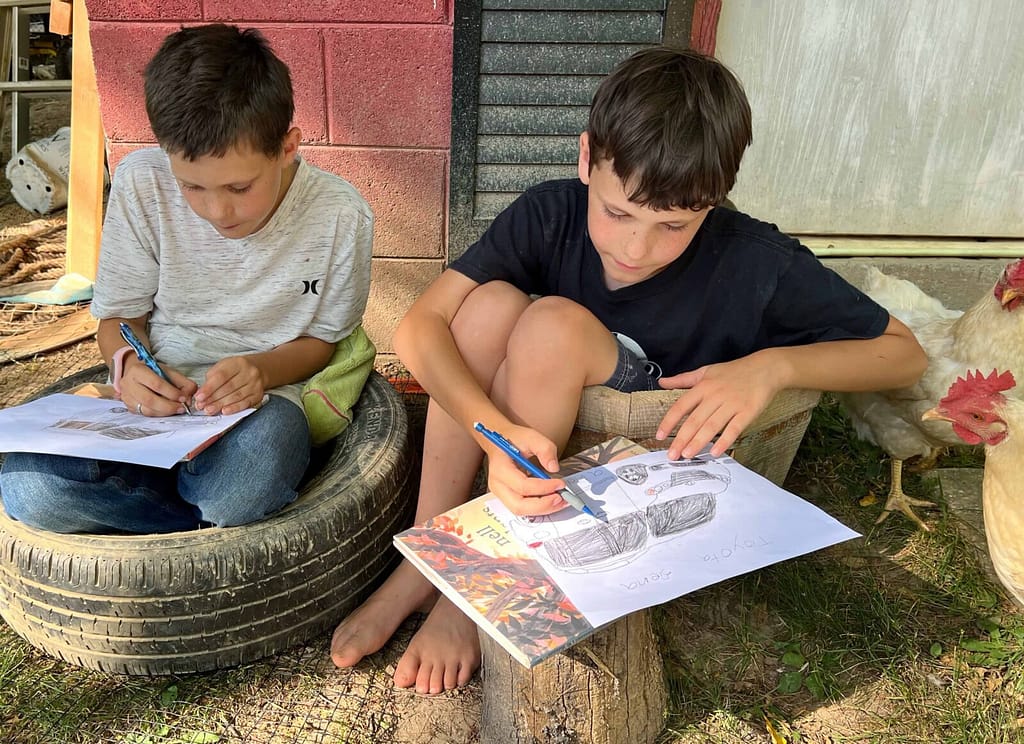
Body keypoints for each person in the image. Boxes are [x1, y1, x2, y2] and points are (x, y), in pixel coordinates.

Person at [330, 46, 927, 694]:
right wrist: (490, 435)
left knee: (551, 323)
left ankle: (470, 595)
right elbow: (419, 327)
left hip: (646, 441)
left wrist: (770, 367)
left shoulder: (757, 259)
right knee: (486, 306)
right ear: (587, 158)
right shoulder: (549, 211)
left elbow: (904, 353)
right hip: (539, 415)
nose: (635, 248)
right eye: (618, 213)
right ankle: (429, 552)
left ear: (713, 199)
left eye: (673, 225)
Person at [0, 24, 373, 534]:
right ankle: (201, 525)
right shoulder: (142, 181)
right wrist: (129, 366)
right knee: (29, 488)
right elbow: (119, 318)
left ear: (288, 147)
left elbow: (323, 343)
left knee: (249, 475)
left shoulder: (339, 214)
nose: (217, 210)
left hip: (260, 405)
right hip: (157, 398)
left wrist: (260, 371)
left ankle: (158, 511)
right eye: (191, 186)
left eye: (239, 187)